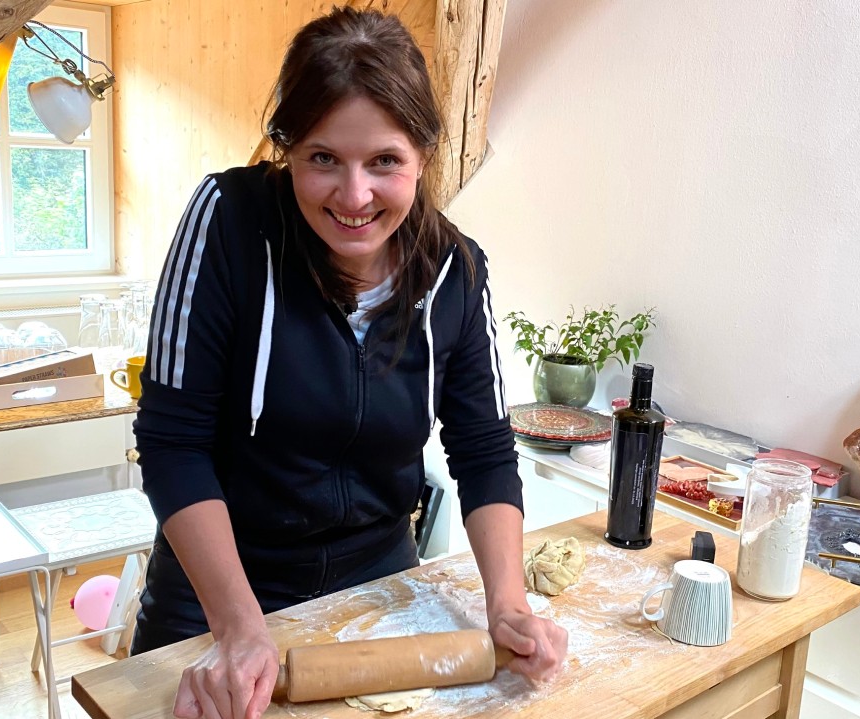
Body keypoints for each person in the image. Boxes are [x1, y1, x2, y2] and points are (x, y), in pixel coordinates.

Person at [131, 7, 568, 719]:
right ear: (287, 149)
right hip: (218, 587)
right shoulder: (229, 222)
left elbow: (484, 449)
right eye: (323, 158)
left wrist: (508, 603)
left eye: (384, 161)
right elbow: (171, 441)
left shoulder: (456, 271)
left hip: (378, 581)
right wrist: (240, 631)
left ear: (424, 153)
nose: (354, 196)